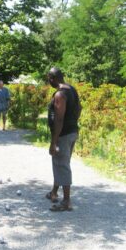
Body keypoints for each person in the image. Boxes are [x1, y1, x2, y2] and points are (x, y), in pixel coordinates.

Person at [46, 67, 82, 212]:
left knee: (62, 164)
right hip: (72, 132)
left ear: (53, 78)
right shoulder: (72, 90)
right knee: (62, 162)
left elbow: (59, 119)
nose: (48, 81)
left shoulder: (60, 94)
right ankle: (54, 192)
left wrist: (54, 141)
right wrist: (72, 121)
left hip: (63, 135)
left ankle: (66, 201)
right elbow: (80, 108)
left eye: (49, 78)